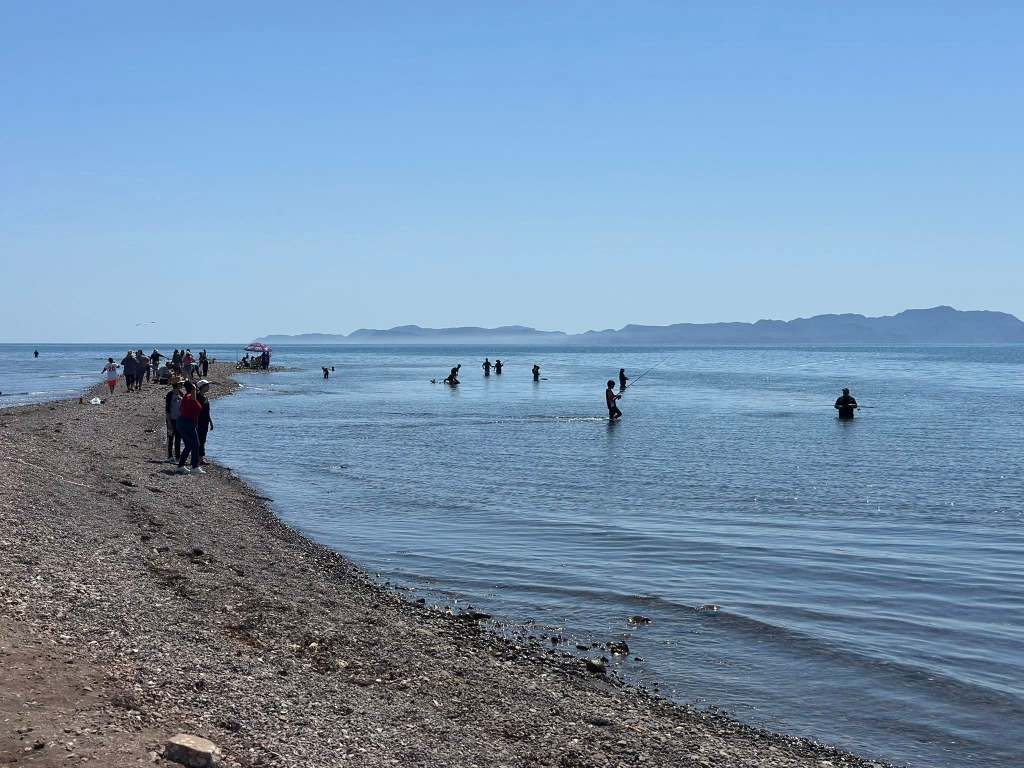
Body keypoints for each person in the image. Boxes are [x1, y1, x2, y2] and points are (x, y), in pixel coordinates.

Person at [176, 381, 204, 474]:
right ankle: (194, 466)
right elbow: (197, 408)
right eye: (195, 388)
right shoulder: (189, 398)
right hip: (186, 423)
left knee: (189, 445)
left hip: (185, 422)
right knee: (195, 444)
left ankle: (181, 465)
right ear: (193, 389)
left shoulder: (188, 397)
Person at [165, 379, 183, 461]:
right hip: (171, 419)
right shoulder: (170, 394)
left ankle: (178, 456)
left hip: (179, 420)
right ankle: (170, 456)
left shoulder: (181, 393)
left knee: (178, 438)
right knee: (170, 437)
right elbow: (167, 409)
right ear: (176, 384)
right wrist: (169, 422)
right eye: (180, 383)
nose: (182, 385)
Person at [196, 380, 213, 464]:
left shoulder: (205, 397)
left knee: (203, 440)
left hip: (205, 421)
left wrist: (210, 421)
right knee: (199, 440)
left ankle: (201, 457)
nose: (208, 387)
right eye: (207, 385)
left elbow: (207, 411)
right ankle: (198, 458)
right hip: (199, 422)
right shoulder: (198, 397)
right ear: (202, 387)